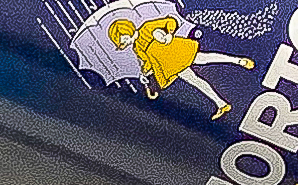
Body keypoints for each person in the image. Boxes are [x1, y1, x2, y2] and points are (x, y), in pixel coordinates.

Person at [109, 15, 254, 120]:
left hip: (176, 51)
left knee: (204, 59)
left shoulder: (147, 27)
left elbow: (170, 21)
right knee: (196, 80)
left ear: (126, 31)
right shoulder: (137, 48)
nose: (124, 44)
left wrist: (168, 35)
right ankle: (221, 103)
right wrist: (145, 74)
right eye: (122, 43)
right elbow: (147, 62)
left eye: (123, 40)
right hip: (171, 64)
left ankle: (237, 60)